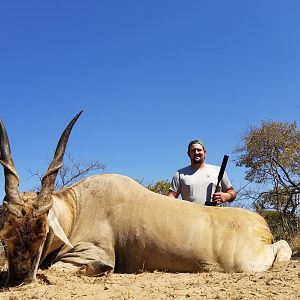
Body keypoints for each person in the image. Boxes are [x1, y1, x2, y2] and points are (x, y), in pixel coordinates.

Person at [168, 140, 237, 205]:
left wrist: (227, 196)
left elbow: (232, 192)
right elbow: (171, 196)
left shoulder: (218, 171)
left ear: (204, 152)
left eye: (199, 150)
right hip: (190, 216)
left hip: (214, 215)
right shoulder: (180, 174)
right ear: (188, 154)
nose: (196, 152)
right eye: (193, 150)